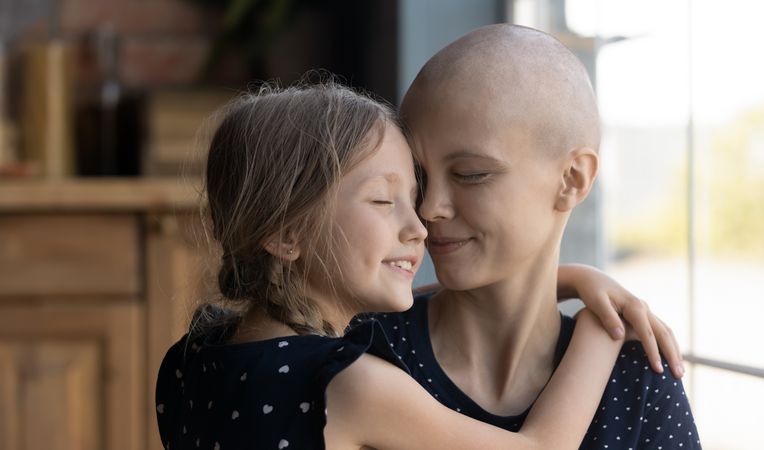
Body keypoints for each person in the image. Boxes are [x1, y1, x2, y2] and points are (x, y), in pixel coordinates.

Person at [155, 81, 668, 450]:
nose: (420, 224)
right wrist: (603, 327)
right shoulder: (350, 386)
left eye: (413, 194)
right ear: (287, 235)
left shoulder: (191, 359)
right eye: (383, 201)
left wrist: (571, 279)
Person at [374, 23, 702, 449]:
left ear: (572, 179)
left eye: (471, 174)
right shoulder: (360, 346)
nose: (428, 207)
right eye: (419, 176)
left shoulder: (638, 376)